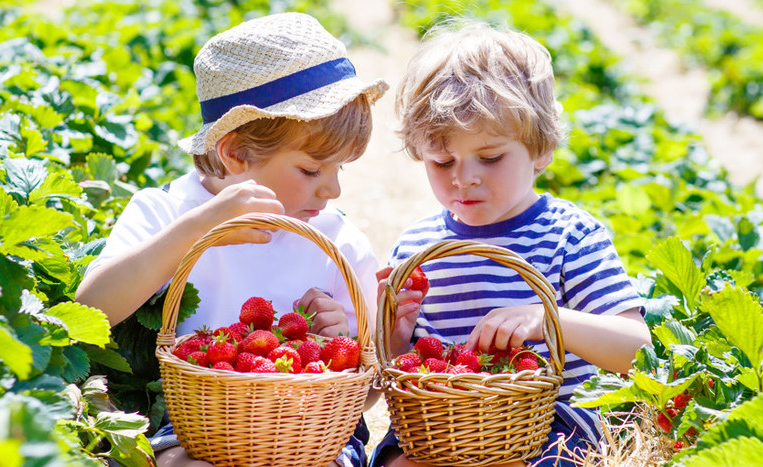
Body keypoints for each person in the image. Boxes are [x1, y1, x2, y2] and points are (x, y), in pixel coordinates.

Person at [73, 12, 387, 467]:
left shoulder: (336, 239)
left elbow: (368, 393)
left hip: (313, 431)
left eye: (340, 169)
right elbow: (93, 308)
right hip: (199, 426)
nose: (332, 189)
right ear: (235, 153)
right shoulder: (166, 212)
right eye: (312, 170)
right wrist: (200, 228)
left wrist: (346, 344)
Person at [372, 22, 651, 467]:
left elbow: (637, 351)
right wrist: (395, 332)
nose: (464, 177)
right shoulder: (419, 247)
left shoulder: (569, 236)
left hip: (549, 429)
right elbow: (394, 371)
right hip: (438, 425)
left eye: (490, 157)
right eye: (442, 161)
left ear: (540, 150)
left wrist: (548, 319)